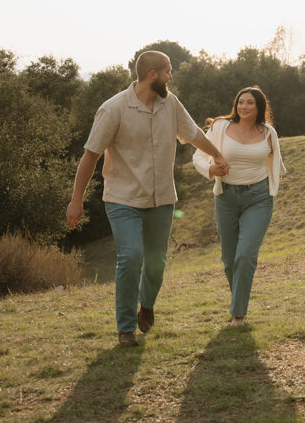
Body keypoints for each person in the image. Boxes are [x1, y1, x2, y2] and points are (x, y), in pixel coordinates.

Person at [67, 50, 228, 347]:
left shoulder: (171, 104)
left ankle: (147, 305)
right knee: (131, 257)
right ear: (152, 74)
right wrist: (76, 201)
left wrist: (217, 154)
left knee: (156, 262)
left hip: (162, 198)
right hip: (122, 198)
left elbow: (193, 134)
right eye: (168, 71)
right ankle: (125, 328)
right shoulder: (113, 109)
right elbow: (90, 156)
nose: (171, 76)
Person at [192, 86, 286, 327]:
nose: (244, 106)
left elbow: (275, 160)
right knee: (229, 259)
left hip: (259, 198)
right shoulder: (220, 127)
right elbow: (198, 157)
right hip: (226, 198)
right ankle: (239, 303)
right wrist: (211, 169)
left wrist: (279, 174)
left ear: (259, 108)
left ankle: (238, 314)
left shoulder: (268, 132)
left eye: (250, 103)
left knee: (245, 255)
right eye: (241, 102)